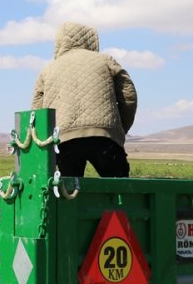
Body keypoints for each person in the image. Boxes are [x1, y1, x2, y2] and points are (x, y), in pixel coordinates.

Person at [31, 22, 137, 177]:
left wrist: (46, 143)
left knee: (69, 188)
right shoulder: (106, 61)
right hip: (104, 137)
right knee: (119, 186)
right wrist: (119, 129)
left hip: (64, 139)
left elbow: (37, 110)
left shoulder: (47, 70)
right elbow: (128, 96)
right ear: (91, 39)